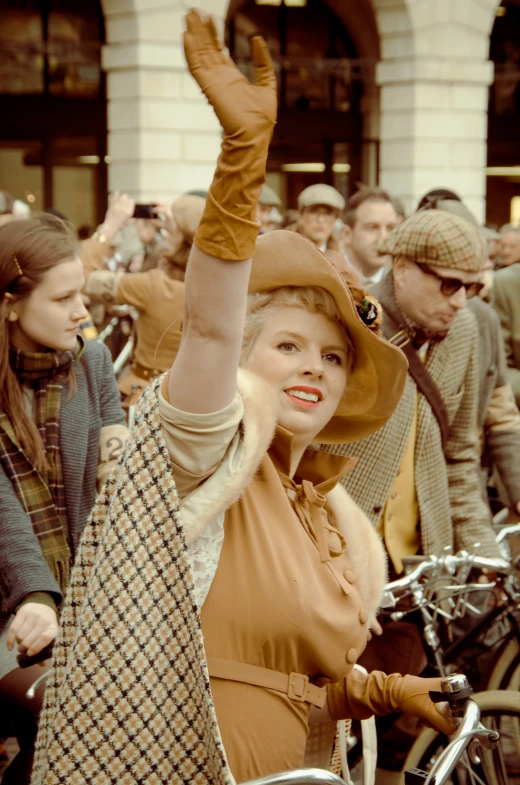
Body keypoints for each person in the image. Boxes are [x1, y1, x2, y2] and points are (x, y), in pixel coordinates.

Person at [33, 13, 457, 785]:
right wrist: (242, 162)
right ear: (247, 360)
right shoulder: (210, 455)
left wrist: (385, 688)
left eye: (333, 357)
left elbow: (295, 673)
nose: (314, 368)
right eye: (287, 345)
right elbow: (206, 328)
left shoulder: (327, 510)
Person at [0, 214, 127, 784]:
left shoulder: (92, 362)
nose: (83, 311)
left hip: (79, 602)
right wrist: (34, 594)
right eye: (65, 298)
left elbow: (115, 468)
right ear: (11, 303)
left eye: (83, 293)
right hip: (15, 602)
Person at [84, 194, 206, 403]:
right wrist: (175, 229)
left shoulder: (153, 286)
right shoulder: (225, 287)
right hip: (199, 397)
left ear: (178, 238)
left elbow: (83, 279)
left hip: (149, 396)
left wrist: (109, 227)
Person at [341, 186, 398, 285]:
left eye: (390, 228)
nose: (383, 237)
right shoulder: (324, 280)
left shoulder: (401, 288)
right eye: (372, 227)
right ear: (347, 234)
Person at [492, 227, 520, 407]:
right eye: (504, 245)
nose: (507, 251)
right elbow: (499, 364)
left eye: (513, 246)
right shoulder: (507, 282)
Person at [292, 183, 345, 251]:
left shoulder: (341, 255)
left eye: (328, 213)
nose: (320, 220)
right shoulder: (284, 249)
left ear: (335, 219)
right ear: (301, 216)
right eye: (313, 212)